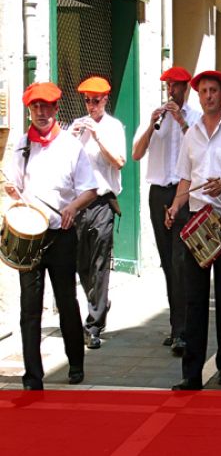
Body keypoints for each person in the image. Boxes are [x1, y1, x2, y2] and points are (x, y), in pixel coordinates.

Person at [166, 70, 221, 390]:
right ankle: (191, 374)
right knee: (194, 297)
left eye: (213, 90)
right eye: (203, 91)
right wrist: (176, 206)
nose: (208, 96)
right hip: (197, 220)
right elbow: (185, 178)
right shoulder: (190, 134)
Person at [5, 83, 98, 389]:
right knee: (29, 306)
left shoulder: (71, 147)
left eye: (46, 107)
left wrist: (73, 206)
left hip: (62, 234)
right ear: (29, 110)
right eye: (35, 108)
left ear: (57, 109)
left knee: (66, 300)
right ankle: (33, 375)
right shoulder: (21, 146)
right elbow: (15, 187)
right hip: (32, 237)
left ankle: (75, 362)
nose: (41, 113)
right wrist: (12, 193)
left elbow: (89, 189)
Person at [133, 65, 200, 355]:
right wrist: (151, 125)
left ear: (186, 89)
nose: (172, 91)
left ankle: (182, 331)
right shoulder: (156, 116)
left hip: (183, 193)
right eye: (169, 86)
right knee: (166, 262)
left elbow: (198, 150)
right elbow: (136, 153)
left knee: (180, 261)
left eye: (177, 86)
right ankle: (176, 324)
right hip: (158, 193)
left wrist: (180, 120)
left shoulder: (195, 118)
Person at [70, 76, 126, 349]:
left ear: (105, 100)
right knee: (82, 265)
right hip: (79, 204)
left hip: (103, 202)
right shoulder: (77, 126)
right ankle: (100, 302)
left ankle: (94, 324)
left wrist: (98, 136)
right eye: (87, 101)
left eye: (96, 100)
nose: (91, 106)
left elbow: (119, 162)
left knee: (100, 263)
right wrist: (69, 139)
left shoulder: (113, 127)